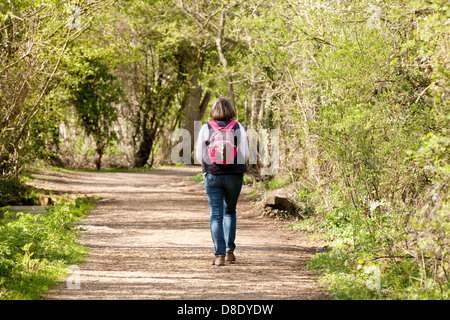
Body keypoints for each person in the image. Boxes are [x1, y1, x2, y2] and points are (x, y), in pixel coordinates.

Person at [195, 97, 249, 266]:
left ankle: (218, 255)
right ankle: (229, 252)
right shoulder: (238, 127)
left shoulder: (206, 128)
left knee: (216, 215)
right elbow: (246, 154)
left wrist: (207, 166)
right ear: (230, 110)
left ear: (213, 111)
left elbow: (198, 155)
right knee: (230, 211)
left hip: (212, 175)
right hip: (234, 175)